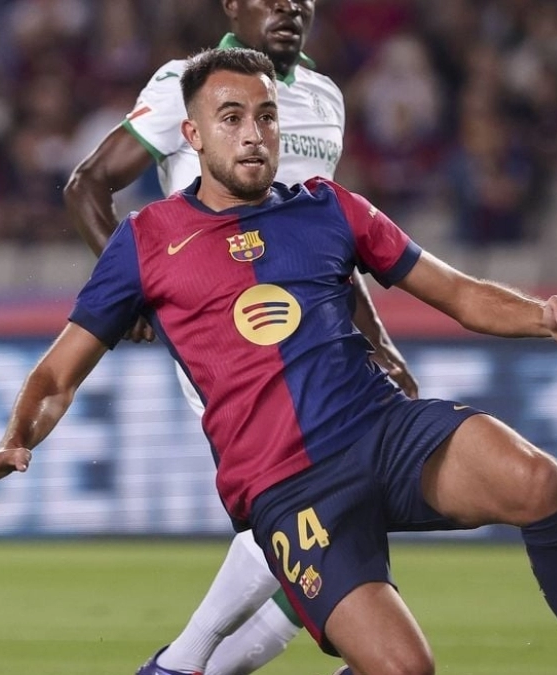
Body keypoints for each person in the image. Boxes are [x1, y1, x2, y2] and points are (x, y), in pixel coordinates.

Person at [0, 48, 557, 675]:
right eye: (232, 118)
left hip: (382, 431)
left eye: (266, 116)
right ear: (192, 134)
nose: (253, 134)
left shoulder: (327, 206)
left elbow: (454, 290)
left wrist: (544, 315)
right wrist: (16, 438)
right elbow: (58, 373)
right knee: (405, 666)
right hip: (292, 487)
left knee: (541, 482)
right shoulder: (147, 239)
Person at [63, 2, 417, 674]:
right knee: (306, 500)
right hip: (228, 337)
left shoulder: (323, 97)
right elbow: (87, 186)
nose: (287, 6)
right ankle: (188, 658)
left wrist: (378, 338)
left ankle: (190, 666)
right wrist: (139, 293)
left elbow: (324, 233)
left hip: (318, 338)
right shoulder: (186, 86)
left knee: (325, 528)